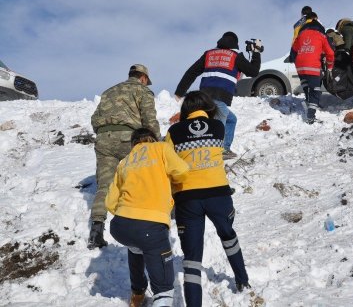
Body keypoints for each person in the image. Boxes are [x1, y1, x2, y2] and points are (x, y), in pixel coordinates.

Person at [165, 91, 251, 306]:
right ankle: (243, 281)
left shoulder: (174, 131)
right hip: (218, 194)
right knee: (228, 236)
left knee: (192, 257)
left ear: (185, 110)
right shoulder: (218, 127)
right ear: (208, 106)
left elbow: (168, 162)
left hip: (188, 198)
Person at [106, 128, 189, 307]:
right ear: (153, 138)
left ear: (133, 144)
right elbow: (182, 170)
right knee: (164, 288)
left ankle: (137, 294)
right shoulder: (161, 148)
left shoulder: (125, 161)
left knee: (136, 247)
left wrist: (130, 215)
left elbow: (110, 202)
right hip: (151, 226)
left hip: (120, 226)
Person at [88, 64, 161, 250]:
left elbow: (94, 118)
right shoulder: (142, 91)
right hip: (129, 139)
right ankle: (140, 221)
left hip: (104, 140)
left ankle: (96, 231)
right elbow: (149, 120)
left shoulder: (108, 92)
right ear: (143, 78)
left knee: (104, 185)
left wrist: (104, 131)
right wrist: (158, 144)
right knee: (140, 177)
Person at [174, 31, 261, 160]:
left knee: (231, 119)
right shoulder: (235, 56)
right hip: (220, 97)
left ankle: (223, 148)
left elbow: (191, 72)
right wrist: (256, 52)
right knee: (218, 124)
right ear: (235, 44)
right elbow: (253, 71)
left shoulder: (209, 54)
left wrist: (180, 92)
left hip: (203, 97)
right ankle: (216, 152)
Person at [291, 12, 334, 124]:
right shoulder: (321, 35)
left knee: (306, 84)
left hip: (300, 65)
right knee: (316, 90)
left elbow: (293, 50)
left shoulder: (301, 34)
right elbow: (330, 53)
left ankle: (308, 101)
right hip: (312, 65)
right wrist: (329, 67)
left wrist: (295, 61)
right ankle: (310, 115)